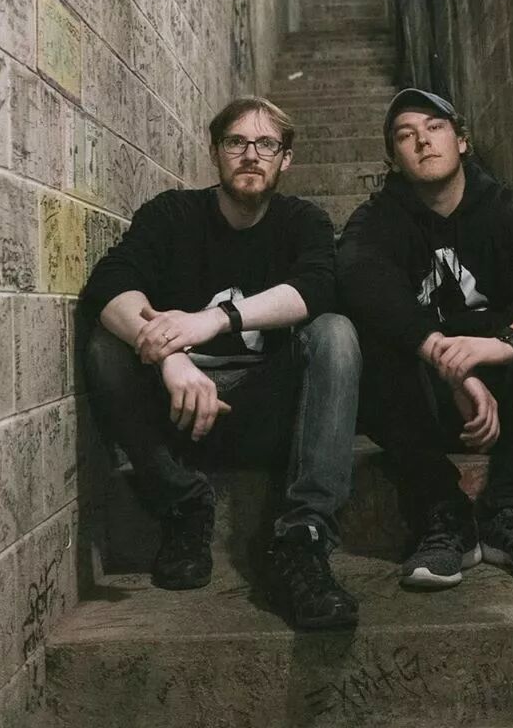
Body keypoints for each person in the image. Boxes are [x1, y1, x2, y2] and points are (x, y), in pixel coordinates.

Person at [81, 96, 361, 630]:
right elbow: (109, 284)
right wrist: (170, 356)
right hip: (180, 415)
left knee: (335, 332)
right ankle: (183, 502)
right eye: (236, 142)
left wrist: (210, 321)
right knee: (105, 345)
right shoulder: (172, 214)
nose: (251, 155)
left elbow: (317, 288)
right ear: (215, 152)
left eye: (266, 144)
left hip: (265, 411)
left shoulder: (302, 221)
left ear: (286, 159)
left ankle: (303, 537)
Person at [337, 88, 513, 591]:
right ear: (393, 158)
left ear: (461, 141)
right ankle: (443, 512)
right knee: (359, 335)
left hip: (508, 405)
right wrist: (449, 363)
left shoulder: (505, 209)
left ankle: (510, 509)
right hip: (424, 406)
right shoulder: (380, 218)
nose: (423, 141)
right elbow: (358, 276)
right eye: (405, 135)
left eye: (435, 127)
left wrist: (505, 344)